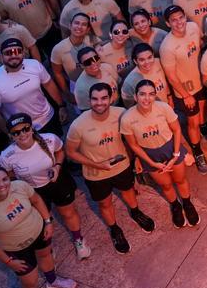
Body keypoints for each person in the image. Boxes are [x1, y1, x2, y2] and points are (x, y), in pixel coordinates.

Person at [65, 82, 154, 253]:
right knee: (105, 204)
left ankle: (135, 213)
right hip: (96, 174)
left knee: (128, 190)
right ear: (89, 100)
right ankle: (115, 229)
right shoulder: (78, 125)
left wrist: (134, 159)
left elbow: (130, 140)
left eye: (104, 98)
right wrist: (97, 165)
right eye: (95, 99)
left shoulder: (121, 114)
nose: (100, 103)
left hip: (122, 167)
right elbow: (70, 152)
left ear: (111, 98)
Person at [120, 79, 200, 229]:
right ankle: (175, 206)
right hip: (149, 155)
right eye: (142, 94)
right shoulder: (127, 118)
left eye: (151, 94)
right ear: (135, 97)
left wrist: (176, 154)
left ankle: (187, 204)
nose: (147, 98)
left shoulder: (163, 108)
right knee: (166, 184)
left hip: (171, 148)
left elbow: (176, 130)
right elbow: (133, 145)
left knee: (180, 179)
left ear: (155, 96)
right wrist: (151, 163)